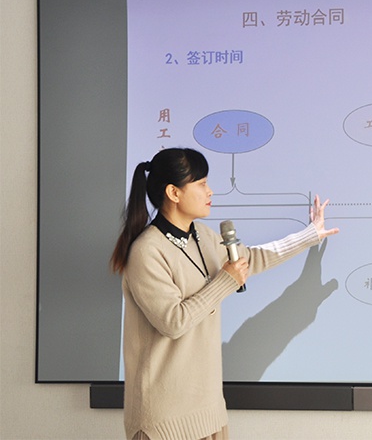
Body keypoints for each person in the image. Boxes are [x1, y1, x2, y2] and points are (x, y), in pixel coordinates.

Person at [110, 147, 339, 440]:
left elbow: (251, 259)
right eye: (202, 184)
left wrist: (310, 235)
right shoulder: (147, 251)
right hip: (164, 422)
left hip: (209, 412)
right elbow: (173, 322)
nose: (210, 191)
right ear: (174, 193)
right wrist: (225, 281)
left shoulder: (204, 236)